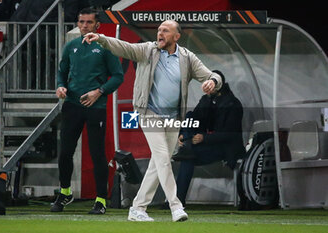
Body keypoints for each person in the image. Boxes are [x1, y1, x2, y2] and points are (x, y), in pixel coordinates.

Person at [82, 20, 222, 222]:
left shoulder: (187, 58)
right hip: (149, 113)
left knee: (159, 163)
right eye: (159, 30)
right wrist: (102, 39)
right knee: (163, 157)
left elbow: (213, 76)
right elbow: (125, 47)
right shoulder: (147, 50)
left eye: (165, 31)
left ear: (176, 37)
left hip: (173, 117)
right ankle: (176, 206)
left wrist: (213, 81)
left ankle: (137, 208)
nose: (160, 33)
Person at [51, 8, 124, 214]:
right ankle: (65, 192)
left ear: (97, 25)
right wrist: (60, 86)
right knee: (65, 152)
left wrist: (99, 92)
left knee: (97, 153)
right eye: (81, 22)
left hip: (96, 106)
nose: (84, 26)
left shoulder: (105, 47)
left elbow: (118, 76)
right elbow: (62, 72)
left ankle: (100, 200)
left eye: (89, 22)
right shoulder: (71, 46)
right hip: (72, 105)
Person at [174, 71, 245, 206]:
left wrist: (204, 138)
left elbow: (230, 135)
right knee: (189, 117)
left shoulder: (232, 104)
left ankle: (177, 201)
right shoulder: (206, 100)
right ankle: (177, 201)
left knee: (188, 156)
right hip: (209, 144)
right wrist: (182, 134)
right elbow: (194, 117)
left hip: (226, 148)